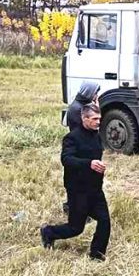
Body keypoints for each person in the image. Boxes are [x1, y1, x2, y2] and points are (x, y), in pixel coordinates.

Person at [41, 104, 111, 259]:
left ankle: (97, 254)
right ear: (84, 118)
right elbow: (66, 159)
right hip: (78, 190)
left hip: (95, 188)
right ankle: (49, 232)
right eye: (94, 119)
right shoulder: (72, 137)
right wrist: (89, 164)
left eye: (99, 118)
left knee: (105, 220)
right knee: (76, 228)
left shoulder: (96, 136)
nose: (98, 122)